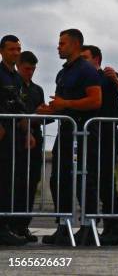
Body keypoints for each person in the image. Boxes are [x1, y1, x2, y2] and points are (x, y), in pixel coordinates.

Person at [37, 29, 102, 246]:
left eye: (62, 43)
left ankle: (89, 226)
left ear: (75, 45)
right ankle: (63, 226)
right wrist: (50, 110)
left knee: (84, 178)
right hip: (66, 132)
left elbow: (95, 101)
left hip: (83, 133)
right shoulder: (64, 71)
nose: (58, 47)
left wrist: (66, 105)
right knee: (59, 180)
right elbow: (62, 103)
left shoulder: (86, 70)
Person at [81, 45, 118, 245]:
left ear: (97, 59)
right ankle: (101, 225)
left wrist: (115, 80)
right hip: (90, 131)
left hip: (107, 131)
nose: (82, 61)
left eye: (85, 57)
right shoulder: (82, 77)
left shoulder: (107, 75)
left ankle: (116, 227)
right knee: (91, 179)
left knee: (105, 180)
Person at [9, 51, 46, 243]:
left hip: (34, 140)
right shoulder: (13, 86)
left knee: (31, 183)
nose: (30, 72)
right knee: (16, 183)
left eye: (33, 69)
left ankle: (23, 224)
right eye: (27, 68)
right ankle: (11, 224)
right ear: (19, 66)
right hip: (16, 140)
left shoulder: (37, 90)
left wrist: (44, 113)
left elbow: (44, 118)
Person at [0, 35, 29, 246]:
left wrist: (28, 132)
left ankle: (7, 226)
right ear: (2, 51)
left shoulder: (17, 78)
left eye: (18, 49)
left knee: (10, 180)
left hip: (13, 135)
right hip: (2, 132)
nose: (16, 53)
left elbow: (20, 107)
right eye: (12, 49)